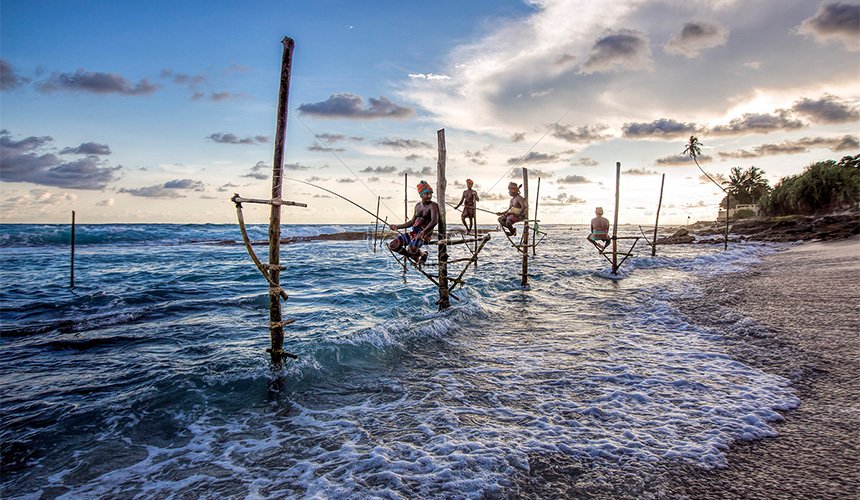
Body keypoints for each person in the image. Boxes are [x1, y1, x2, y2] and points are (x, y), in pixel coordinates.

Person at [389, 180, 439, 266]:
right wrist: (397, 226)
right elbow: (412, 222)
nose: (429, 196)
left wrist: (422, 233)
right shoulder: (417, 206)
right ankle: (414, 256)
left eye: (431, 193)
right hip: (414, 233)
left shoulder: (433, 205)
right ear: (421, 195)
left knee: (412, 249)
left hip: (425, 234)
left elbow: (434, 221)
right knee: (393, 245)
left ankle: (423, 254)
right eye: (427, 194)